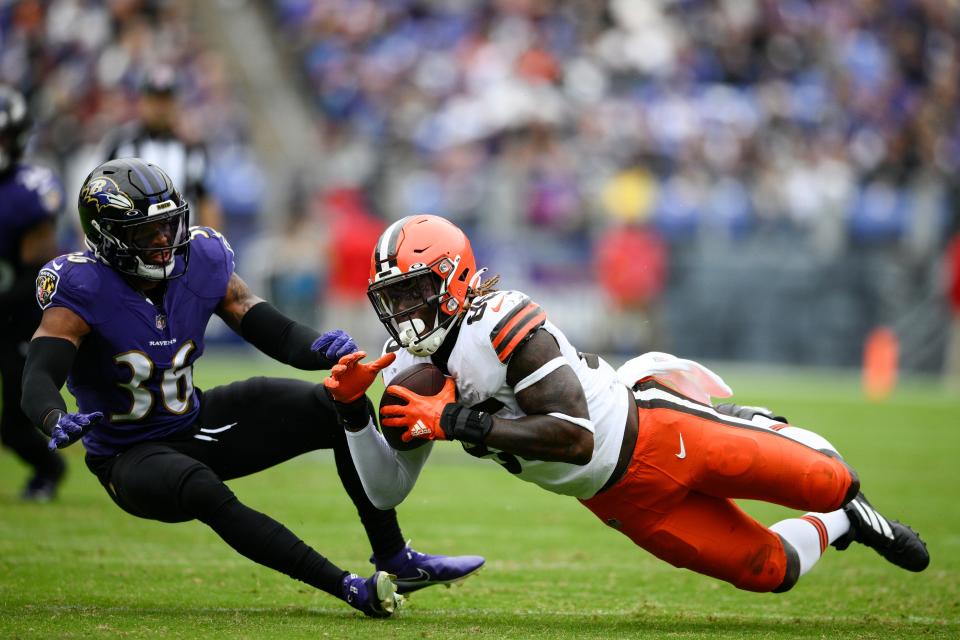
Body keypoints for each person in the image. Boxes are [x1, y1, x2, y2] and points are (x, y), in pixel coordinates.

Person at [323, 214, 929, 598]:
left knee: (825, 479)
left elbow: (574, 436)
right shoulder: (407, 368)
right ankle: (845, 521)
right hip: (614, 497)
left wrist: (455, 421)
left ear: (453, 279)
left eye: (414, 292)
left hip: (656, 434)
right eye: (392, 298)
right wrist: (355, 413)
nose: (403, 312)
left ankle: (758, 430)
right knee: (768, 571)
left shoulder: (501, 320)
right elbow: (386, 492)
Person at [19, 162, 483, 617]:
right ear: (108, 237)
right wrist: (52, 417)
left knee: (334, 405)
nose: (164, 241)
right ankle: (345, 587)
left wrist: (320, 349)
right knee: (201, 487)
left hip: (193, 420)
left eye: (168, 225)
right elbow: (39, 376)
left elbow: (265, 325)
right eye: (146, 232)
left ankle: (395, 560)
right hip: (129, 455)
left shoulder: (198, 258)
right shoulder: (80, 286)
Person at [0, 84, 68, 501]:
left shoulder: (29, 190)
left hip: (17, 316)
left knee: (13, 424)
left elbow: (37, 273)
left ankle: (49, 469)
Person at [100, 66, 223, 231]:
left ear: (176, 104)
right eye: (154, 100)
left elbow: (206, 202)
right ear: (142, 101)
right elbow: (98, 198)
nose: (160, 108)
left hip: (182, 244)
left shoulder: (193, 149)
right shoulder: (120, 145)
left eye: (166, 100)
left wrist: (209, 246)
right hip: (131, 243)